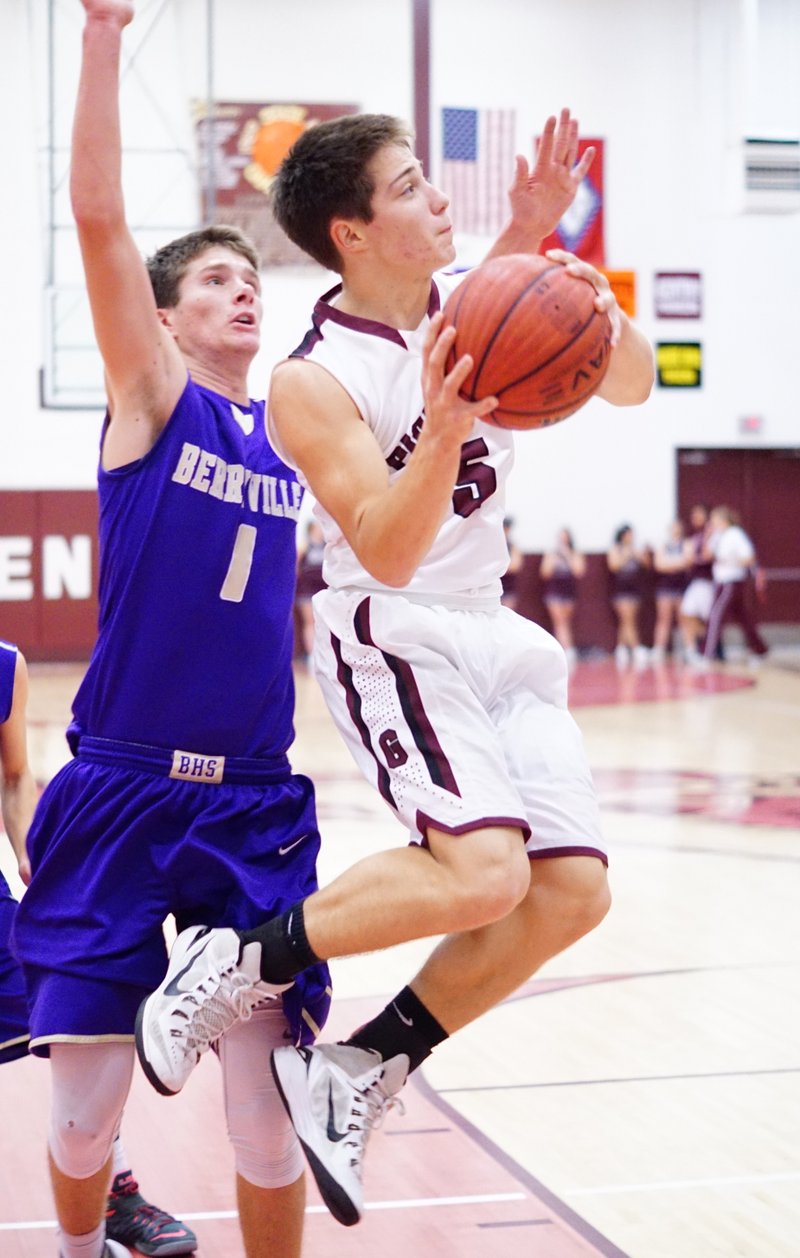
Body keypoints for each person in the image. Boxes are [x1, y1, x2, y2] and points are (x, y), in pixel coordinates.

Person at [136, 107, 654, 1229]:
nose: (437, 201)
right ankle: (237, 956)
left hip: (493, 620)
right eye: (411, 186)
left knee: (572, 890)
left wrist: (587, 295)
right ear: (352, 231)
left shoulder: (484, 299)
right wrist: (444, 416)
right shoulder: (310, 379)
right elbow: (383, 541)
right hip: (394, 622)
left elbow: (633, 387)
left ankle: (359, 1066)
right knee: (482, 875)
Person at [11, 5, 331, 1258]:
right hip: (123, 786)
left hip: (251, 802)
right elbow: (97, 219)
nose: (241, 290)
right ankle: (84, 1247)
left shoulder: (298, 432)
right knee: (85, 1121)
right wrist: (99, 36)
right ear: (163, 316)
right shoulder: (153, 401)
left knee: (266, 1122)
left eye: (251, 279)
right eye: (213, 279)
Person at [0, 639, 198, 1256]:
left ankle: (110, 1191)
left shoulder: (5, 666)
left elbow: (11, 775)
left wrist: (34, 855)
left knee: (79, 1014)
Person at [702, 505, 769, 664]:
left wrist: (729, 561)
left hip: (731, 581)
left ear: (723, 520)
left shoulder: (736, 534)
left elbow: (749, 558)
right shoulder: (718, 535)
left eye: (714, 519)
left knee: (715, 615)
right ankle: (759, 649)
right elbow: (706, 556)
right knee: (743, 617)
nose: (711, 522)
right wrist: (708, 536)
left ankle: (707, 653)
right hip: (720, 581)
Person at [540, 527, 586, 668]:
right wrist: (554, 559)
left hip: (568, 592)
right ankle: (567, 650)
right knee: (559, 621)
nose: (562, 540)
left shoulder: (574, 553)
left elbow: (579, 571)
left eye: (565, 537)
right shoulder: (551, 553)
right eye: (560, 537)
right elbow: (545, 573)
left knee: (565, 622)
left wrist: (567, 555)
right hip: (554, 592)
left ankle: (561, 649)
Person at [607, 523, 651, 667]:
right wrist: (626, 555)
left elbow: (646, 564)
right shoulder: (616, 549)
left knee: (627, 621)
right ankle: (636, 648)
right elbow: (613, 566)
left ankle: (621, 649)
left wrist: (639, 554)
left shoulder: (635, 550)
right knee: (628, 620)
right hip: (621, 591)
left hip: (634, 590)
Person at [679, 502, 715, 663]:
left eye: (698, 514)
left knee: (708, 618)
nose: (695, 518)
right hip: (696, 582)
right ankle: (692, 649)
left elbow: (707, 557)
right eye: (693, 515)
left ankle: (710, 649)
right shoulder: (695, 537)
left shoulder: (712, 534)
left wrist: (695, 558)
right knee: (686, 612)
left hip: (708, 583)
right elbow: (690, 559)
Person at [651, 518, 688, 662]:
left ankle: (688, 649)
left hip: (681, 587)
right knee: (663, 619)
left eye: (677, 528)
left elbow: (688, 561)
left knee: (684, 620)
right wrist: (678, 563)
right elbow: (659, 565)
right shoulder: (663, 546)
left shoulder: (686, 544)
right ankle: (659, 649)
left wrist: (670, 563)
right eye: (672, 528)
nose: (675, 531)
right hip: (665, 588)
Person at [295, 518, 327, 661]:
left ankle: (325, 656)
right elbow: (295, 568)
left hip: (323, 591)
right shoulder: (305, 547)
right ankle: (311, 656)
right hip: (306, 591)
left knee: (324, 624)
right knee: (310, 622)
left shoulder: (328, 548)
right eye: (317, 527)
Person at [500, 516, 524, 611]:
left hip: (508, 588)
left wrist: (498, 568)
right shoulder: (492, 544)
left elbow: (515, 566)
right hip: (491, 588)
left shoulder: (512, 545)